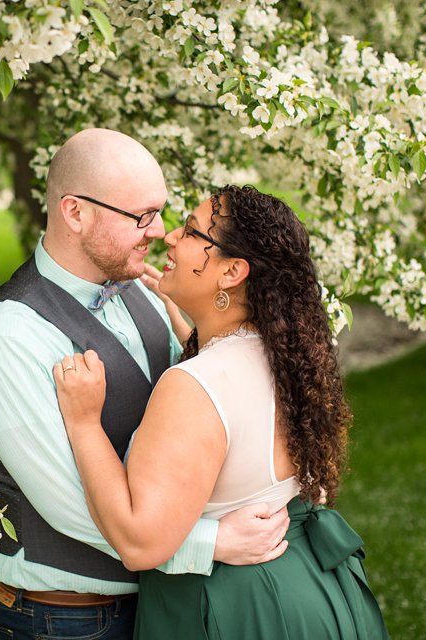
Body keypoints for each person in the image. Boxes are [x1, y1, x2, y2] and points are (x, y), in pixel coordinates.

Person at [0, 130, 291, 640]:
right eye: (140, 216)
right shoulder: (9, 335)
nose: (159, 232)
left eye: (160, 212)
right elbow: (70, 506)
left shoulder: (143, 287)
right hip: (67, 618)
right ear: (75, 213)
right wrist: (213, 542)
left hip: (162, 604)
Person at [54, 185, 389, 638]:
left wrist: (83, 422)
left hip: (234, 610)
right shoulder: (287, 357)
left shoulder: (193, 387)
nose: (169, 237)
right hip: (315, 591)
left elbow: (138, 542)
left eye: (191, 232)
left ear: (232, 271)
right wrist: (193, 325)